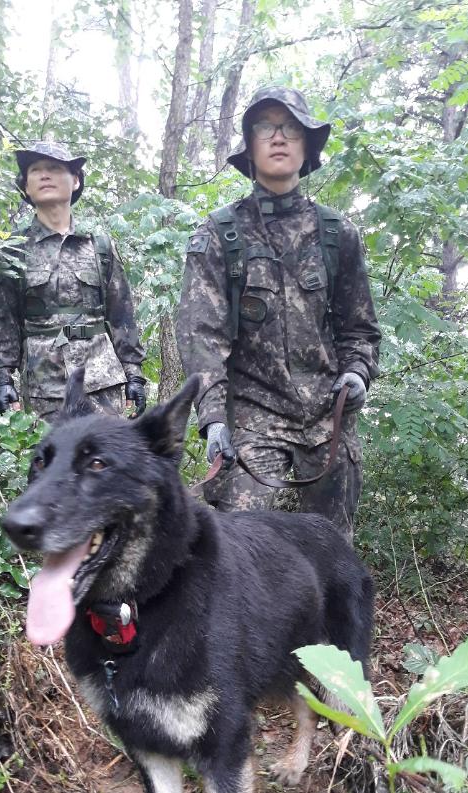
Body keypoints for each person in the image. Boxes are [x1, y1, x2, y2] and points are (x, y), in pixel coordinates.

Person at [175, 86, 381, 540]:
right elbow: (202, 337)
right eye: (265, 127)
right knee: (237, 549)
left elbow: (359, 328)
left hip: (328, 419)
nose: (278, 137)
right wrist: (211, 420)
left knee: (330, 559)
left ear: (307, 145)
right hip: (253, 417)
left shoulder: (336, 233)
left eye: (290, 128)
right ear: (249, 145)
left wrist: (358, 373)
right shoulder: (219, 234)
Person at [0, 142, 146, 421]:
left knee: (107, 461)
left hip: (102, 383)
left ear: (75, 181)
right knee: (52, 464)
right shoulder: (13, 251)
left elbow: (122, 316)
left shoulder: (100, 246)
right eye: (35, 170)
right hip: (44, 390)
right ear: (25, 186)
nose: (44, 175)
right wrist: (1, 379)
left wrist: (134, 375)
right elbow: (1, 321)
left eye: (55, 168)